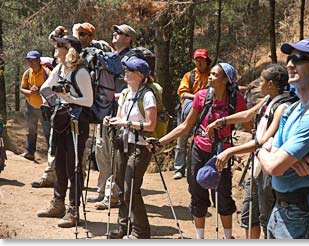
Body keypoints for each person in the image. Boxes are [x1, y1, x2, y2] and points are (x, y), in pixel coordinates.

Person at [256, 38, 309, 239]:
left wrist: (265, 152)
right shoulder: (293, 109)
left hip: (303, 214)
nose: (289, 64)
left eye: (298, 58)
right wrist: (281, 154)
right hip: (280, 209)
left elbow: (274, 166)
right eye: (289, 58)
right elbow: (269, 146)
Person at [148, 63, 246, 239]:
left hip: (222, 152)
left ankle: (227, 237)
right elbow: (186, 126)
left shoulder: (236, 99)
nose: (209, 77)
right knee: (196, 192)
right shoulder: (201, 96)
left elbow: (248, 124)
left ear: (225, 80)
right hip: (199, 149)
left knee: (223, 195)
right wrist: (160, 142)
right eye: (211, 73)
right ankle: (200, 238)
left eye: (215, 75)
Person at [205, 63, 293, 239]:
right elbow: (247, 115)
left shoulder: (283, 106)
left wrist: (230, 152)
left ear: (271, 84)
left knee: (267, 217)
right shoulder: (268, 100)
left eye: (262, 81)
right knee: (248, 214)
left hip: (269, 169)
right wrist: (221, 121)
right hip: (257, 166)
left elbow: (262, 140)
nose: (258, 84)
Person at [36, 35, 93, 228]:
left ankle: (73, 210)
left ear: (70, 50)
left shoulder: (81, 72)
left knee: (74, 167)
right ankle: (58, 203)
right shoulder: (60, 68)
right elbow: (46, 87)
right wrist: (50, 97)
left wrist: (68, 97)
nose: (55, 48)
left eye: (60, 45)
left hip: (77, 124)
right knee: (59, 164)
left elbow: (89, 101)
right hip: (60, 121)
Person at [106, 58, 157, 239]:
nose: (125, 73)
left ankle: (141, 231)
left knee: (131, 188)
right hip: (123, 143)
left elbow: (151, 125)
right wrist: (112, 121)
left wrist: (126, 122)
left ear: (140, 75)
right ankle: (123, 227)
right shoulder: (126, 93)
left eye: (129, 70)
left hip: (140, 147)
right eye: (125, 70)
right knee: (120, 186)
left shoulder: (148, 95)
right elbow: (120, 117)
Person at [89, 24, 138, 211]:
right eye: (115, 31)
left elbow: (132, 87)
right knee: (101, 151)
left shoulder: (131, 59)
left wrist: (113, 97)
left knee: (114, 154)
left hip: (120, 113)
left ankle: (113, 195)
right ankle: (102, 190)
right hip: (105, 111)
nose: (115, 33)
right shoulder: (110, 56)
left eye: (120, 33)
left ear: (128, 38)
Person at [173, 48, 211, 180]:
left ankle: (200, 167)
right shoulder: (189, 76)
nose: (199, 63)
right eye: (197, 60)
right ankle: (178, 169)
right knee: (181, 140)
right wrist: (198, 97)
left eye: (202, 60)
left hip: (205, 113)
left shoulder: (213, 75)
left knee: (203, 139)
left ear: (207, 61)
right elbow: (182, 93)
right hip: (189, 110)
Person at [20, 50, 52, 161]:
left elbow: (52, 91)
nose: (31, 63)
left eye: (33, 60)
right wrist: (29, 92)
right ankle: (29, 152)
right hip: (30, 106)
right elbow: (22, 88)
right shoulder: (28, 73)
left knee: (48, 132)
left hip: (45, 108)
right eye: (29, 60)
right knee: (30, 130)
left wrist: (39, 91)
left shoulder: (47, 73)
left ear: (39, 60)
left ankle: (51, 156)